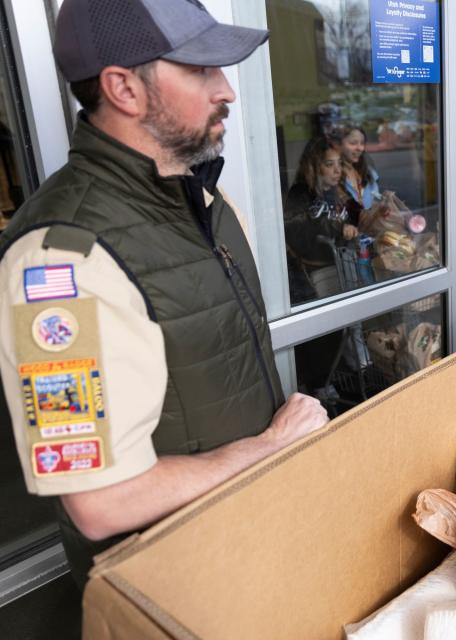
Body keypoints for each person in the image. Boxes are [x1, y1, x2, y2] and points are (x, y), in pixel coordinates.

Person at [0, 0, 328, 587]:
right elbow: (99, 502)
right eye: (201, 70)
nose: (226, 89)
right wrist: (271, 447)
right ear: (124, 88)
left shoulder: (204, 201)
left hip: (247, 541)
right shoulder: (58, 259)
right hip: (172, 580)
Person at [284, 136, 359, 302]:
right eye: (329, 164)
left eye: (339, 163)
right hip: (315, 275)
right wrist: (338, 228)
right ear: (314, 167)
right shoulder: (300, 193)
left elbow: (352, 217)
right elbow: (302, 225)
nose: (337, 170)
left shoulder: (335, 191)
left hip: (342, 267)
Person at [336, 124, 382, 210]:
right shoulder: (333, 176)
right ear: (339, 145)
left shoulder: (369, 172)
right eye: (353, 143)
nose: (360, 148)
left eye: (362, 143)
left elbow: (376, 201)